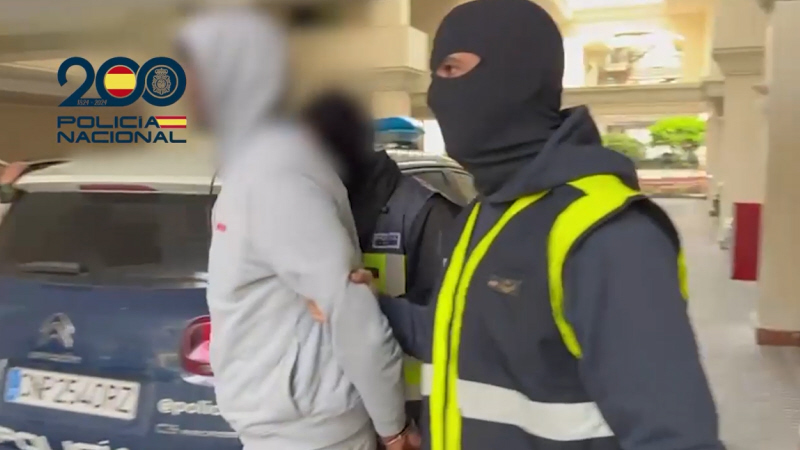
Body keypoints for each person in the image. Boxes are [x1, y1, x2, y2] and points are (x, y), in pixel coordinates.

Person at [355, 0, 726, 449]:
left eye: (453, 69)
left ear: (517, 74)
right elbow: (455, 335)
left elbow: (673, 435)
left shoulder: (606, 233)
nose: (438, 94)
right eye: (436, 74)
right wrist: (367, 305)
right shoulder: (483, 216)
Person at [175, 9, 418, 450]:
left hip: (311, 434)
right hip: (287, 427)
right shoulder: (254, 168)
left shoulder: (276, 175)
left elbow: (349, 309)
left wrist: (393, 427)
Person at [301, 91, 461, 422]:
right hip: (334, 416)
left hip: (411, 413)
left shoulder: (424, 215)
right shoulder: (310, 211)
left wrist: (369, 304)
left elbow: (451, 331)